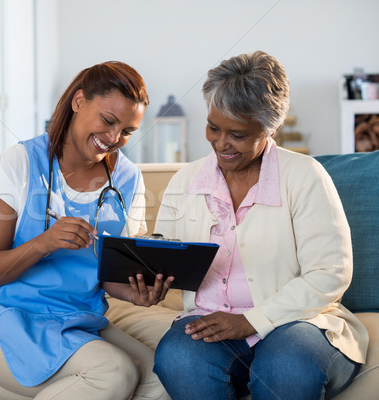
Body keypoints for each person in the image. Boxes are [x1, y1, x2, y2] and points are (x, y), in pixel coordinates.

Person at [152, 51, 369, 399]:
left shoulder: (304, 176)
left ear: (269, 128)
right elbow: (166, 256)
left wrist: (252, 320)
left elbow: (331, 272)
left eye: (237, 134)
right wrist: (154, 279)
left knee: (286, 365)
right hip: (212, 323)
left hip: (298, 323)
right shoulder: (185, 181)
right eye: (213, 127)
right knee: (178, 357)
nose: (221, 143)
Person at [0, 61, 173, 400]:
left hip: (81, 318)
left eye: (127, 131)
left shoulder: (128, 178)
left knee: (165, 378)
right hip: (11, 318)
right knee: (114, 371)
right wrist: (43, 243)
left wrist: (137, 292)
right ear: (78, 101)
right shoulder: (16, 164)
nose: (114, 138)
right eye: (108, 121)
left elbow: (108, 274)